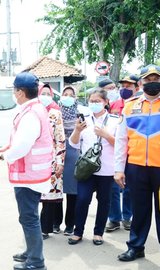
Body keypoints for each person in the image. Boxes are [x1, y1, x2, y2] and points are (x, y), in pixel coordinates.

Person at [0, 72, 51, 270]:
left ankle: (36, 262)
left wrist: (3, 156)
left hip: (29, 175)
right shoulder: (33, 109)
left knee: (29, 217)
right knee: (28, 217)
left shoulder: (31, 113)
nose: (13, 93)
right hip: (32, 173)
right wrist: (3, 150)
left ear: (21, 92)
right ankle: (31, 252)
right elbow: (17, 141)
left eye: (14, 90)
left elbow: (22, 145)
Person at [115, 64, 160, 269]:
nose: (152, 82)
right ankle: (136, 246)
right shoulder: (130, 106)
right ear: (140, 83)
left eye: (156, 78)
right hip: (137, 167)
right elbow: (121, 140)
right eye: (147, 80)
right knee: (140, 210)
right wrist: (118, 169)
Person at [67, 89, 120, 246]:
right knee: (82, 199)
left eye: (98, 101)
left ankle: (98, 233)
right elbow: (73, 143)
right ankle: (78, 232)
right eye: (92, 101)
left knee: (104, 202)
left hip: (107, 169)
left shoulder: (115, 121)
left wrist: (107, 135)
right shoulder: (85, 120)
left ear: (105, 102)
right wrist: (77, 130)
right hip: (87, 169)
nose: (94, 104)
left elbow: (121, 145)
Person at [106, 74, 139, 233]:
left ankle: (127, 217)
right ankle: (114, 218)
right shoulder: (113, 105)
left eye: (129, 86)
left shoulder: (139, 106)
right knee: (113, 187)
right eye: (123, 86)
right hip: (114, 152)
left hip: (133, 152)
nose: (125, 89)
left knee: (129, 188)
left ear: (136, 88)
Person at [57, 86, 90, 235]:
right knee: (56, 189)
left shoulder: (81, 112)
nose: (68, 97)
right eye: (65, 94)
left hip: (74, 153)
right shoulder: (55, 112)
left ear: (76, 97)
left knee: (72, 192)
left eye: (71, 95)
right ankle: (54, 223)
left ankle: (70, 224)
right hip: (57, 153)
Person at [37, 83, 66, 240]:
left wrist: (60, 161)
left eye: (49, 93)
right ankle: (35, 227)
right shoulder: (33, 111)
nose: (46, 96)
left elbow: (60, 138)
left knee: (49, 196)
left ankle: (45, 228)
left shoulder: (55, 113)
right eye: (43, 93)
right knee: (35, 195)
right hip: (34, 160)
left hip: (52, 159)